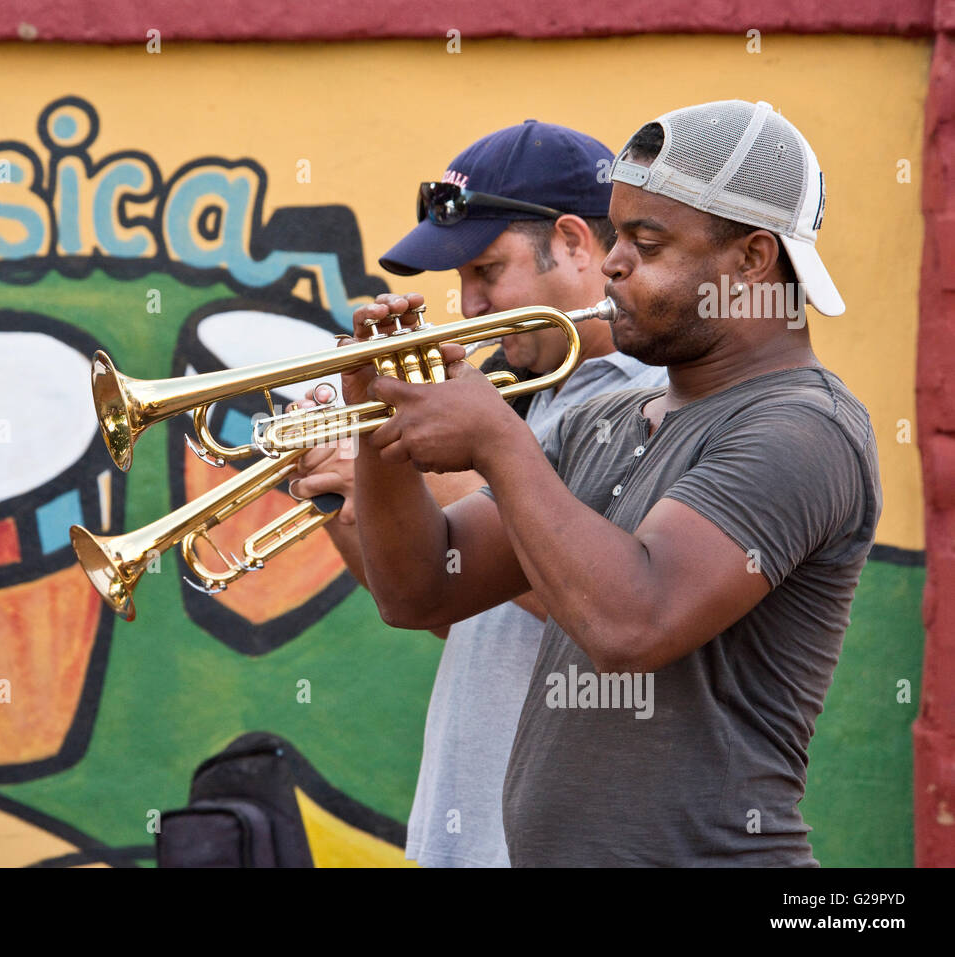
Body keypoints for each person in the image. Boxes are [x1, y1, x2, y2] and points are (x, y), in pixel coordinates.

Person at [338, 99, 881, 866]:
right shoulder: (610, 418)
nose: (614, 259)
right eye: (617, 233)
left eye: (646, 241)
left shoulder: (803, 427)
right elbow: (421, 590)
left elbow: (633, 625)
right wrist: (379, 424)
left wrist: (496, 439)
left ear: (753, 262)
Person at [290, 121, 665, 867]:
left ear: (574, 243)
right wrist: (347, 493)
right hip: (462, 830)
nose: (467, 307)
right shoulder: (523, 394)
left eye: (487, 271)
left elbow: (601, 606)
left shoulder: (654, 401)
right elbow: (442, 608)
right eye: (459, 279)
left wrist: (463, 458)